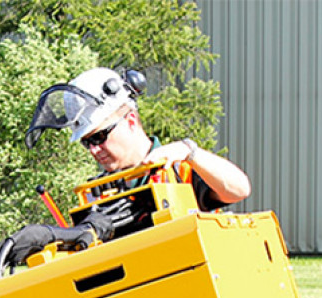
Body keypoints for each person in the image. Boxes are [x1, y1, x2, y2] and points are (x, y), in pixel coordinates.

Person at [26, 67, 251, 212]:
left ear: (130, 120)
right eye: (87, 142)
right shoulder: (95, 193)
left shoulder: (180, 171)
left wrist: (190, 151)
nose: (94, 150)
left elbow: (238, 189)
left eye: (99, 137)